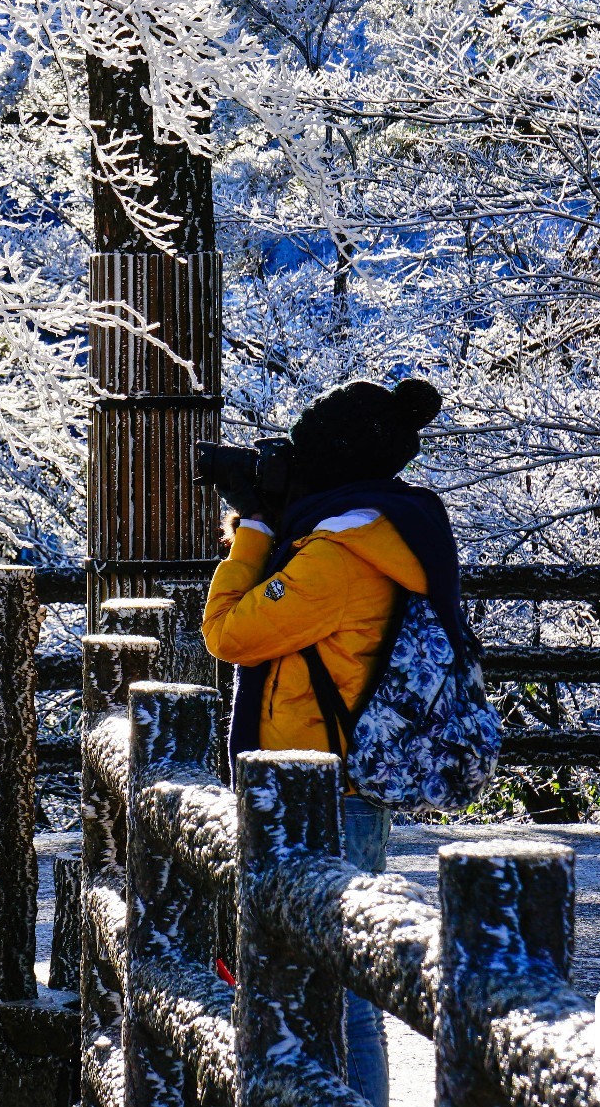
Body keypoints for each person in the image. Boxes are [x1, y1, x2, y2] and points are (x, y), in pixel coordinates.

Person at [199, 377, 450, 1107]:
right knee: (332, 981)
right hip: (335, 789)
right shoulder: (374, 533)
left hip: (325, 798)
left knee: (342, 990)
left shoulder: (339, 559)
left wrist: (252, 529)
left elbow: (230, 632)